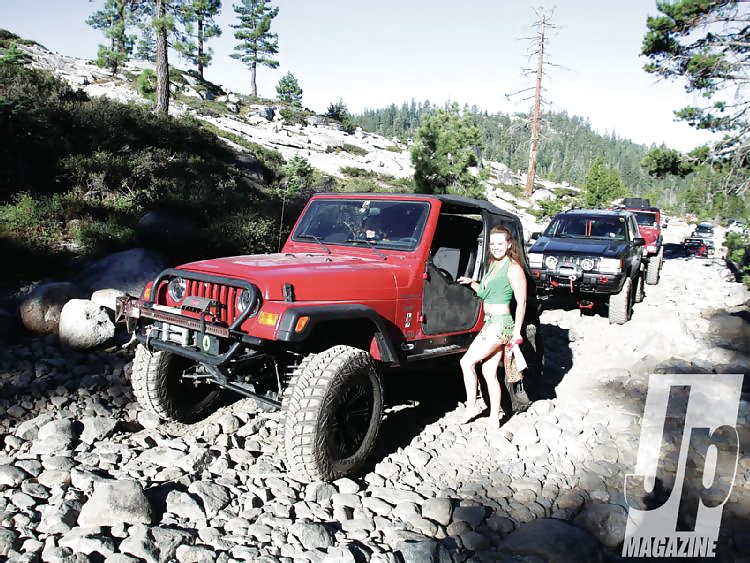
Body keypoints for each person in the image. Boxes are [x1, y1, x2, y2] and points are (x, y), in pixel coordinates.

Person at [456, 225, 527, 428]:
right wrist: (472, 283)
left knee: (466, 362)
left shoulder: (513, 268)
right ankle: (495, 418)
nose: (495, 247)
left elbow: (521, 303)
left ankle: (471, 406)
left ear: (509, 244)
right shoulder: (493, 265)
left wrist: (517, 333)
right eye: (492, 244)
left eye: (500, 243)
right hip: (490, 323)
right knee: (488, 371)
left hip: (500, 324)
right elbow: (487, 294)